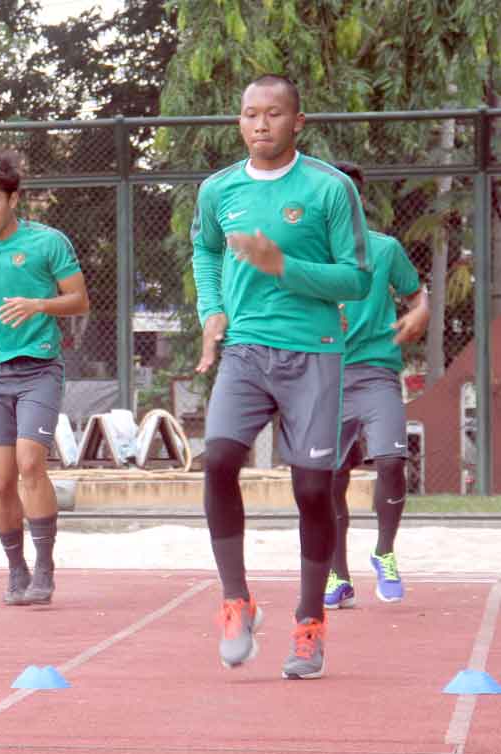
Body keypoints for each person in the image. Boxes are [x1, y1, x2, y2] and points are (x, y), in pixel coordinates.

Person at [191, 75, 372, 680]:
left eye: (273, 114)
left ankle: (309, 622)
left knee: (313, 491)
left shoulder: (329, 188)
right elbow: (205, 251)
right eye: (249, 114)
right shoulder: (219, 190)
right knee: (217, 458)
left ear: (298, 121)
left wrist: (283, 266)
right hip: (245, 349)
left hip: (313, 352)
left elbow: (356, 279)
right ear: (238, 121)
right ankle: (236, 602)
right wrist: (211, 310)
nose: (259, 124)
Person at [0, 150, 88, 607]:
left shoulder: (48, 243)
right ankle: (16, 569)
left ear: (13, 199)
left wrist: (38, 305)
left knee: (32, 463)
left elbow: (79, 301)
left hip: (39, 369)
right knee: (1, 479)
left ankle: (45, 567)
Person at [324, 160, 429, 609]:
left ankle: (384, 551)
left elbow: (416, 292)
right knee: (328, 480)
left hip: (375, 372)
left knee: (391, 460)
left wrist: (421, 310)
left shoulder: (384, 249)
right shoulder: (306, 253)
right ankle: (337, 574)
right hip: (322, 376)